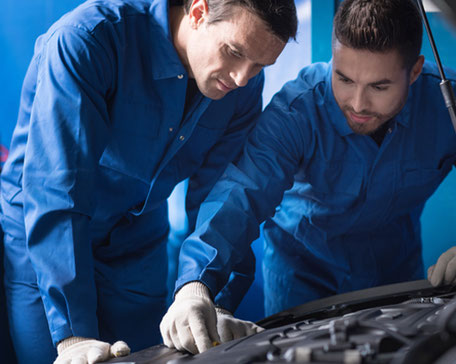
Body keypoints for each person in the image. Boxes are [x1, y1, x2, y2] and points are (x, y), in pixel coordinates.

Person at [0, 0, 298, 363]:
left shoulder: (244, 87)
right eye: (233, 53)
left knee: (150, 356)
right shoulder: (86, 41)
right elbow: (57, 188)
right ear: (199, 11)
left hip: (136, 242)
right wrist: (73, 337)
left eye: (259, 65)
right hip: (45, 240)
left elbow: (223, 197)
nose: (241, 78)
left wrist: (207, 292)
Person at [160, 0, 456, 355]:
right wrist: (195, 284)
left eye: (379, 87)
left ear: (413, 71)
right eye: (343, 78)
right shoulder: (297, 111)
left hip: (398, 277)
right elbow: (240, 195)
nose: (358, 103)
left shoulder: (446, 100)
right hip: (302, 280)